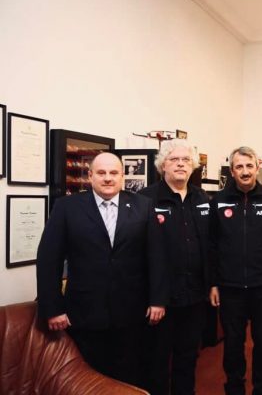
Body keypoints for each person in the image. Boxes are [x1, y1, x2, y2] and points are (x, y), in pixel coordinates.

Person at [36, 152, 168, 387]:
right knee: (87, 380)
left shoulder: (143, 206)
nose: (108, 178)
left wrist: (157, 300)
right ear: (90, 176)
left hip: (132, 313)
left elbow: (156, 256)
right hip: (84, 314)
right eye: (101, 173)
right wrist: (52, 308)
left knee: (129, 377)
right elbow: (49, 259)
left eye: (114, 173)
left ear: (122, 176)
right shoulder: (67, 207)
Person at [209, 146, 262, 395]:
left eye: (249, 166)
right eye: (239, 167)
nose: (245, 171)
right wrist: (213, 283)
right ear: (232, 171)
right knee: (233, 344)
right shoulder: (218, 201)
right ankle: (234, 388)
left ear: (257, 168)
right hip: (230, 288)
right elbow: (211, 245)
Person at [138, 139, 211, 394]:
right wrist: (153, 298)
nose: (181, 164)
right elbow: (138, 253)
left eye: (186, 160)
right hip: (161, 301)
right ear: (163, 165)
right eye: (174, 159)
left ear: (193, 166)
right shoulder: (145, 199)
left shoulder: (201, 198)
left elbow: (210, 244)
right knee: (157, 360)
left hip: (194, 297)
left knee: (188, 358)